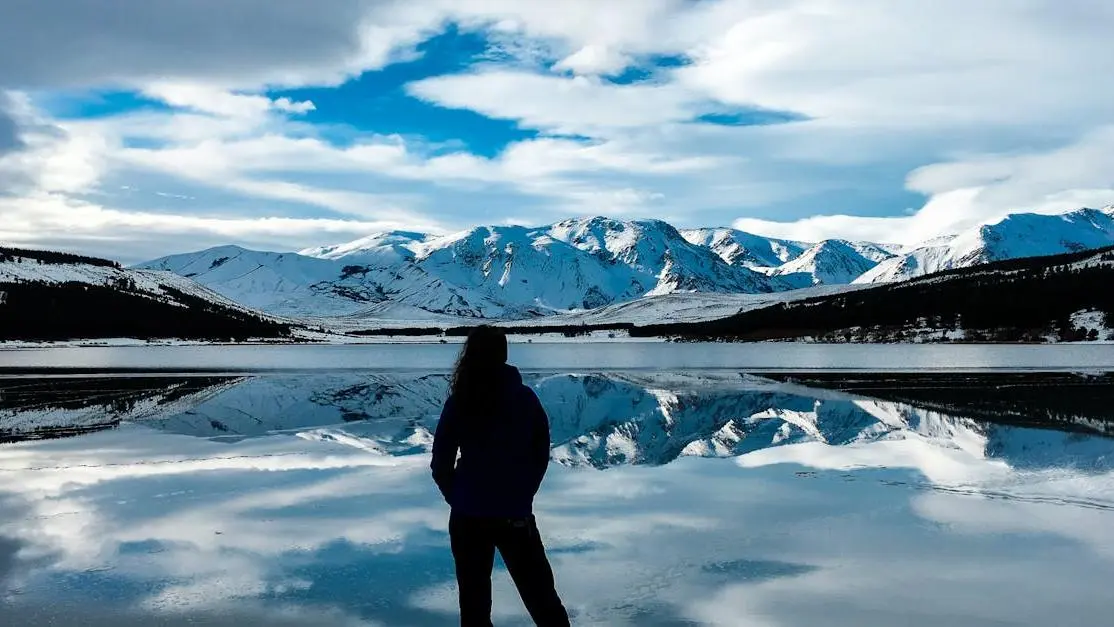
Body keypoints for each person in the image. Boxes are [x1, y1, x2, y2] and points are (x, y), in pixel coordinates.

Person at [431, 326, 570, 627]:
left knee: (474, 606)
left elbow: (440, 462)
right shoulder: (525, 399)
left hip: (468, 516)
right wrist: (523, 493)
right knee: (543, 601)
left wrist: (458, 497)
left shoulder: (461, 400)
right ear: (504, 355)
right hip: (514, 515)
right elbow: (540, 453)